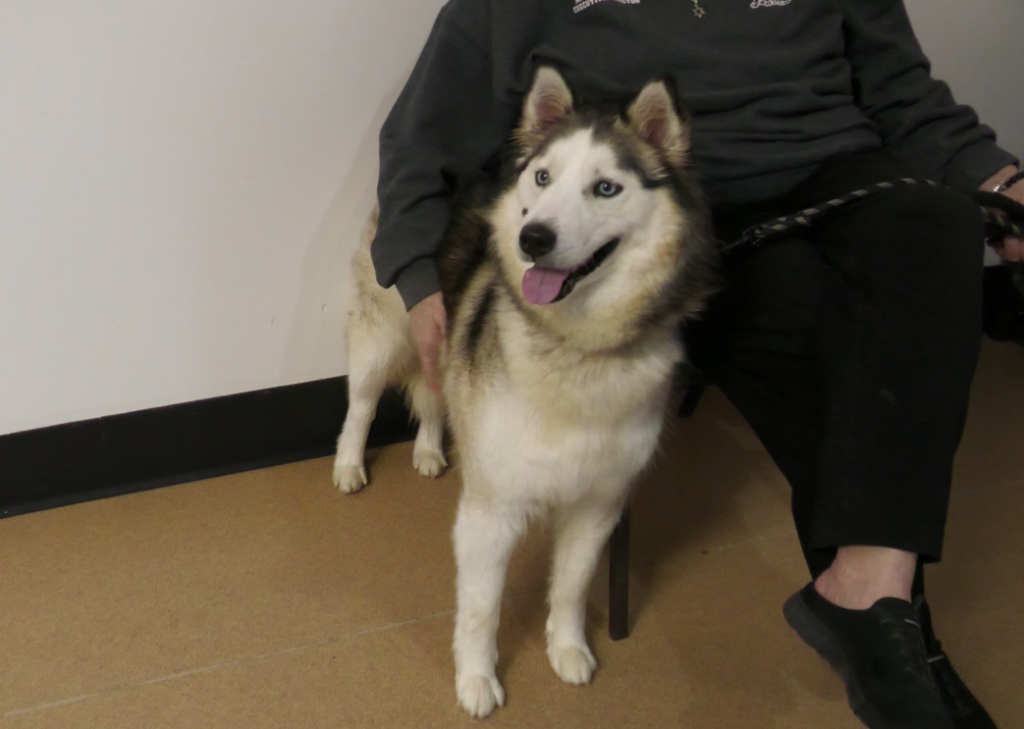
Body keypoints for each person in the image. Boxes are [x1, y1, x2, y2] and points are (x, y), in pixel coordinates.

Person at [368, 1, 1022, 726]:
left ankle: (871, 589)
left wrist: (1001, 184)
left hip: (838, 171)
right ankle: (903, 644)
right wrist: (418, 273)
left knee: (942, 222)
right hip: (671, 219)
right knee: (826, 330)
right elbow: (424, 133)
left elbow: (902, 92)